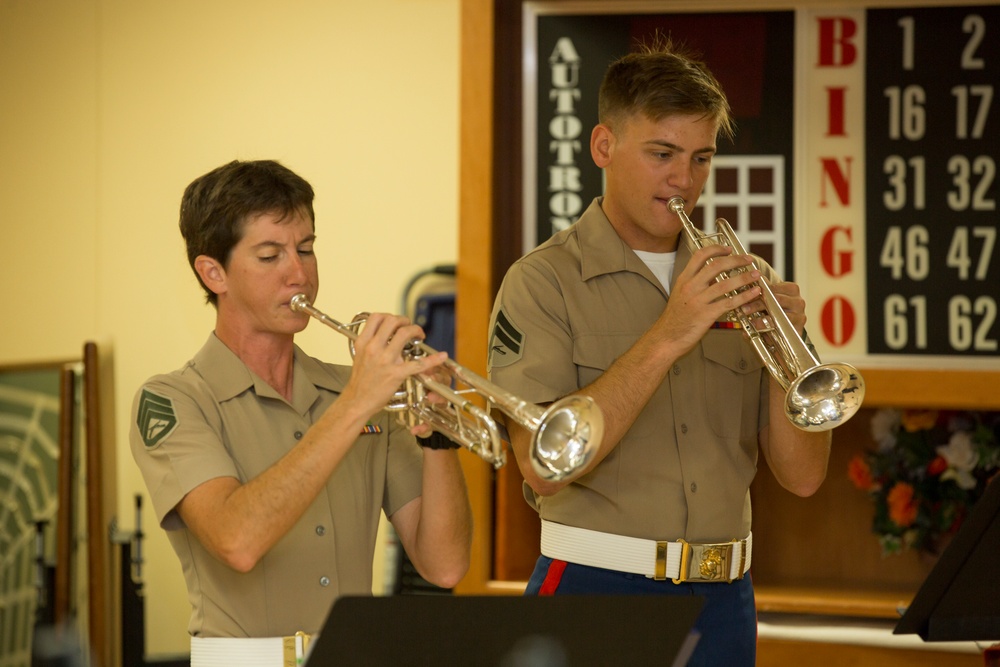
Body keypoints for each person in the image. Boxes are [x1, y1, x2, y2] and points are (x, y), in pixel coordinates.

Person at [487, 39, 831, 665]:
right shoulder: (540, 282)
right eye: (662, 154)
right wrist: (670, 334)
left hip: (726, 599)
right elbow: (540, 468)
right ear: (604, 147)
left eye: (701, 158)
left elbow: (803, 477)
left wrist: (790, 353)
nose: (684, 181)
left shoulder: (740, 277)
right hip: (596, 590)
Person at [130, 159, 472, 664]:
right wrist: (357, 403)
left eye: (306, 249)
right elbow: (237, 541)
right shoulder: (175, 399)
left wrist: (437, 435)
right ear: (213, 272)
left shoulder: (353, 392)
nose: (300, 273)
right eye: (271, 256)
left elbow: (445, 566)